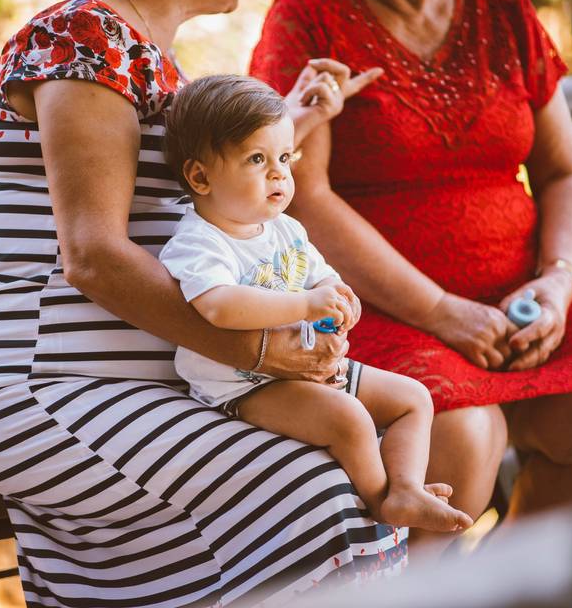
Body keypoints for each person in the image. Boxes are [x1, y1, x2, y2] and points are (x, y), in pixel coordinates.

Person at [0, 0, 401, 606]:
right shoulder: (84, 39)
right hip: (37, 386)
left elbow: (199, 196)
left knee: (359, 453)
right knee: (316, 493)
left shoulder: (141, 48)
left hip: (147, 383)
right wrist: (256, 350)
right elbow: (93, 256)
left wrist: (292, 120)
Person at [249, 0, 572, 538]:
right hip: (377, 305)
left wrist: (560, 281)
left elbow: (566, 169)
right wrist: (441, 310)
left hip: (524, 296)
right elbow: (308, 199)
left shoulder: (499, 0)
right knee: (460, 435)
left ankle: (515, 590)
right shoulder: (309, 10)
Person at [158, 74, 474, 532]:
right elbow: (220, 307)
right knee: (349, 419)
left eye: (284, 158)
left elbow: (318, 273)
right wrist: (307, 305)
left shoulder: (284, 228)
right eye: (257, 159)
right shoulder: (200, 242)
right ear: (200, 176)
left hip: (308, 367)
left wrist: (338, 295)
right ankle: (381, 501)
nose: (278, 174)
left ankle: (406, 488)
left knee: (413, 397)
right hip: (244, 387)